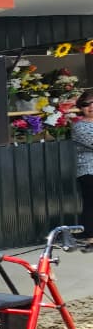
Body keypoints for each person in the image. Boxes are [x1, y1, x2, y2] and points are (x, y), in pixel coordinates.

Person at [72, 90, 93, 249]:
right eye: (86, 104)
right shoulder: (80, 127)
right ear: (81, 107)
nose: (91, 107)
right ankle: (90, 236)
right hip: (88, 169)